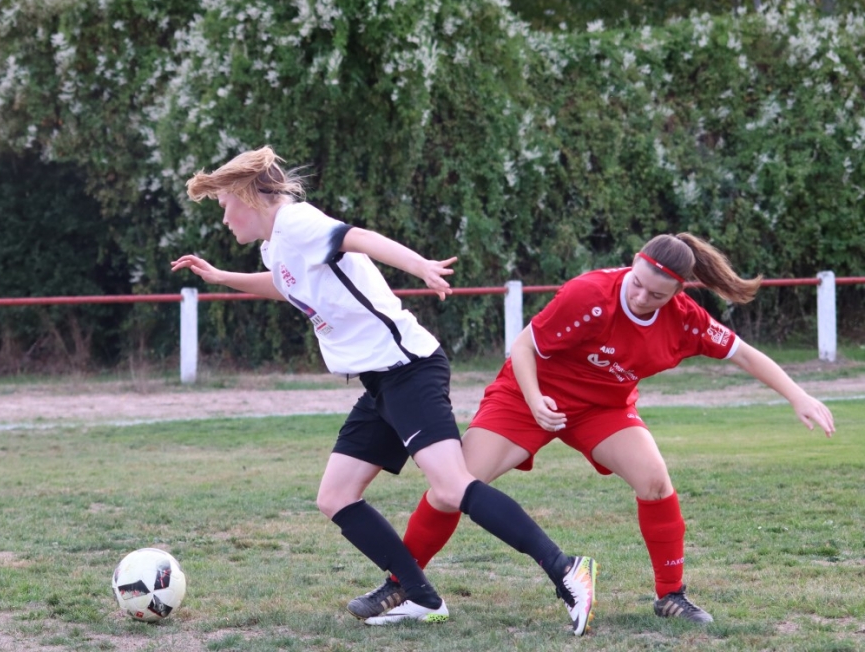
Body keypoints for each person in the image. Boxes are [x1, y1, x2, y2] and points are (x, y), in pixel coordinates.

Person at [171, 146, 598, 634]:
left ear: (248, 197)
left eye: (225, 204)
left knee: (451, 485)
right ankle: (420, 596)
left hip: (408, 370)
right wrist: (221, 277)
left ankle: (567, 569)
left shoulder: (296, 222)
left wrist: (420, 266)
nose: (224, 218)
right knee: (335, 496)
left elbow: (360, 238)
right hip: (379, 381)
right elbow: (284, 285)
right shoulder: (277, 245)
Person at [348, 232, 836, 624]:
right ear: (634, 263)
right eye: (637, 283)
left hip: (602, 409)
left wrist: (798, 395)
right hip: (527, 396)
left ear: (678, 293)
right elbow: (523, 347)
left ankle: (671, 596)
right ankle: (401, 585)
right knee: (452, 486)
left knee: (655, 481)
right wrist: (536, 400)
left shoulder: (686, 320)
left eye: (656, 294)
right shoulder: (590, 293)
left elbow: (744, 354)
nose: (641, 296)